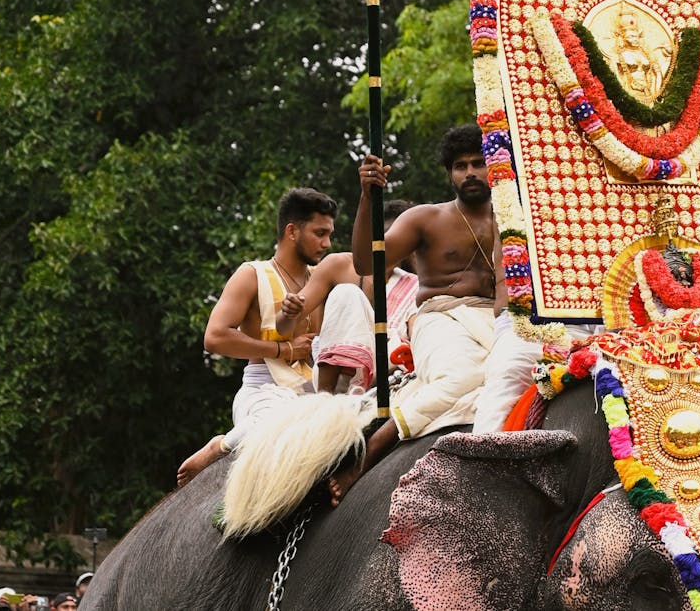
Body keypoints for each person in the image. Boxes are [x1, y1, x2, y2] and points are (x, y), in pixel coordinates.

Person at [331, 123, 498, 505]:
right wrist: (366, 197)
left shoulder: (518, 219)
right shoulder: (427, 218)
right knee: (462, 377)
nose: (470, 173)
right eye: (460, 166)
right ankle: (372, 450)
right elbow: (363, 261)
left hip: (500, 321)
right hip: (440, 318)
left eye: (478, 163)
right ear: (449, 173)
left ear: (496, 165)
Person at [176, 187, 338, 486]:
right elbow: (214, 337)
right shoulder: (252, 274)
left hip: (311, 389)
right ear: (292, 231)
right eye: (319, 233)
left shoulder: (321, 280)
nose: (327, 243)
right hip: (263, 392)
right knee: (278, 423)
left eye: (329, 234)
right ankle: (220, 446)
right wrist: (283, 350)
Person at [277, 200, 418, 394]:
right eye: (387, 234)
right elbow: (283, 327)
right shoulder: (338, 266)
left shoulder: (414, 285)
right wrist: (288, 313)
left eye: (402, 236)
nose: (393, 242)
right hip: (338, 378)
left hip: (388, 376)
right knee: (347, 293)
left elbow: (416, 339)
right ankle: (325, 399)